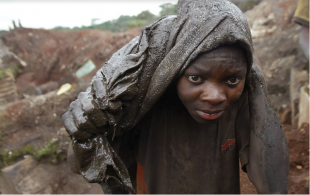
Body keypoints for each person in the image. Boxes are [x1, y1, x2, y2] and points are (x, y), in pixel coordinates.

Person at [62, 0, 289, 193]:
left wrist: (257, 85)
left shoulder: (238, 101)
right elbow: (78, 159)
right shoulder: (146, 101)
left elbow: (273, 186)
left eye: (231, 80)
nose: (215, 96)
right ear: (174, 70)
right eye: (196, 79)